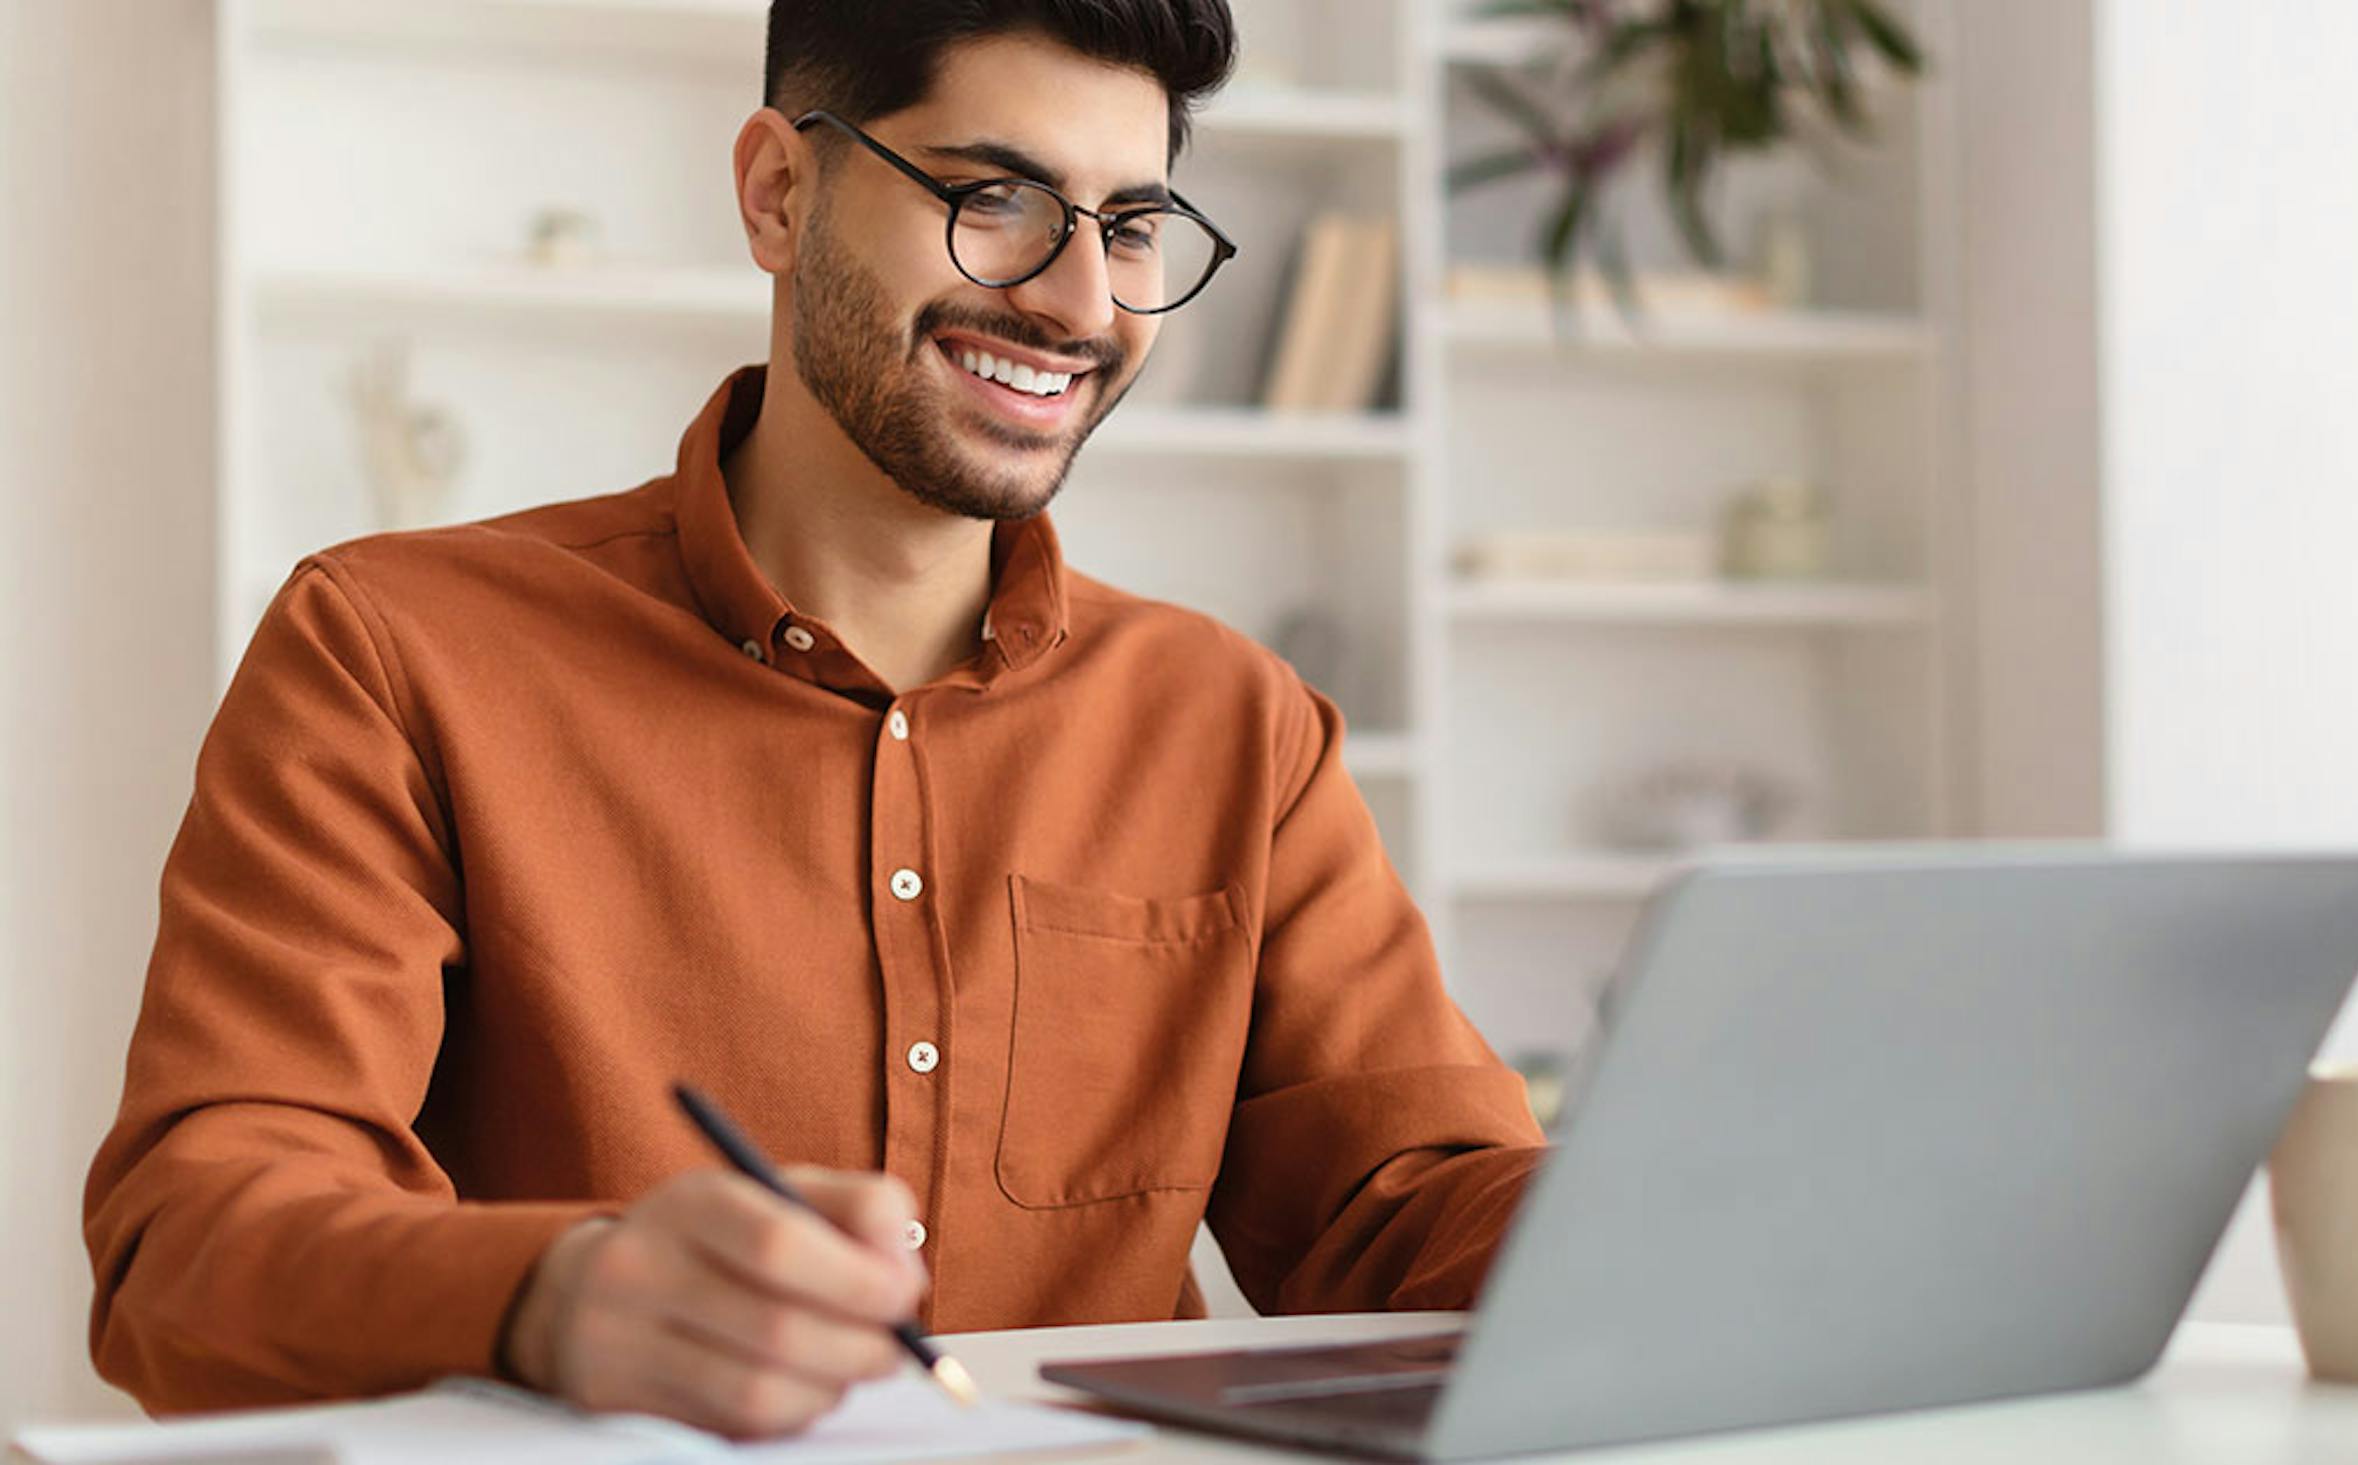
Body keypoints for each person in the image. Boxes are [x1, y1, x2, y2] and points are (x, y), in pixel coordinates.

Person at [83, 0, 1545, 1439]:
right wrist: (552, 1297)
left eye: (1133, 226)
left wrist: (1707, 1206)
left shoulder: (1240, 725)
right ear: (779, 192)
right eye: (996, 198)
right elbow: (190, 1240)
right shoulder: (393, 651)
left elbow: (1402, 1207)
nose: (1080, 304)